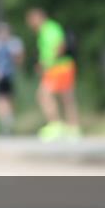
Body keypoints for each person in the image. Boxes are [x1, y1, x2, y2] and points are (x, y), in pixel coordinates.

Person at [25, 8, 79, 140]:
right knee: (67, 97)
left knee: (44, 95)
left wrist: (46, 63)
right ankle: (73, 128)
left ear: (38, 17)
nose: (30, 24)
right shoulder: (48, 29)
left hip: (58, 67)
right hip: (63, 66)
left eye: (31, 20)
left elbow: (60, 46)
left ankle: (55, 125)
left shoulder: (49, 28)